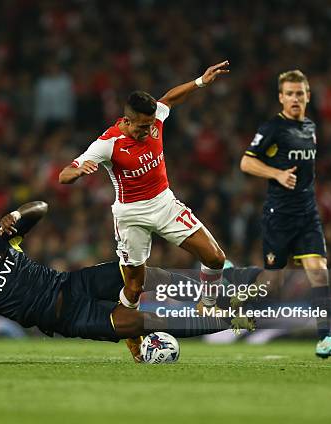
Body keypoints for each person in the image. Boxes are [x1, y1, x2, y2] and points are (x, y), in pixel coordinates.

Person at [0, 201, 242, 363]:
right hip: (68, 317)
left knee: (144, 274)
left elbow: (41, 207)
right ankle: (232, 320)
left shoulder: (1, 242)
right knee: (151, 321)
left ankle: (219, 294)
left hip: (73, 283)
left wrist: (16, 214)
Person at [58, 61, 233, 355]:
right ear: (125, 121)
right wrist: (76, 172)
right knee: (135, 285)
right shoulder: (108, 143)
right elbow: (64, 174)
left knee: (215, 257)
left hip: (164, 203)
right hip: (131, 216)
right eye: (140, 128)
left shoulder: (155, 120)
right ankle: (132, 336)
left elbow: (170, 99)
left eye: (149, 126)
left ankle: (208, 304)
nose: (146, 131)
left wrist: (200, 81)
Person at [240, 70, 331, 358]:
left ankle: (324, 339)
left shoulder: (311, 127)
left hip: (308, 215)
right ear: (281, 97)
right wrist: (276, 173)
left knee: (319, 272)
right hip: (279, 216)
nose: (295, 98)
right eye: (290, 93)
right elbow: (246, 163)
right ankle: (235, 303)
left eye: (300, 93)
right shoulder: (273, 127)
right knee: (273, 280)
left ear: (308, 96)